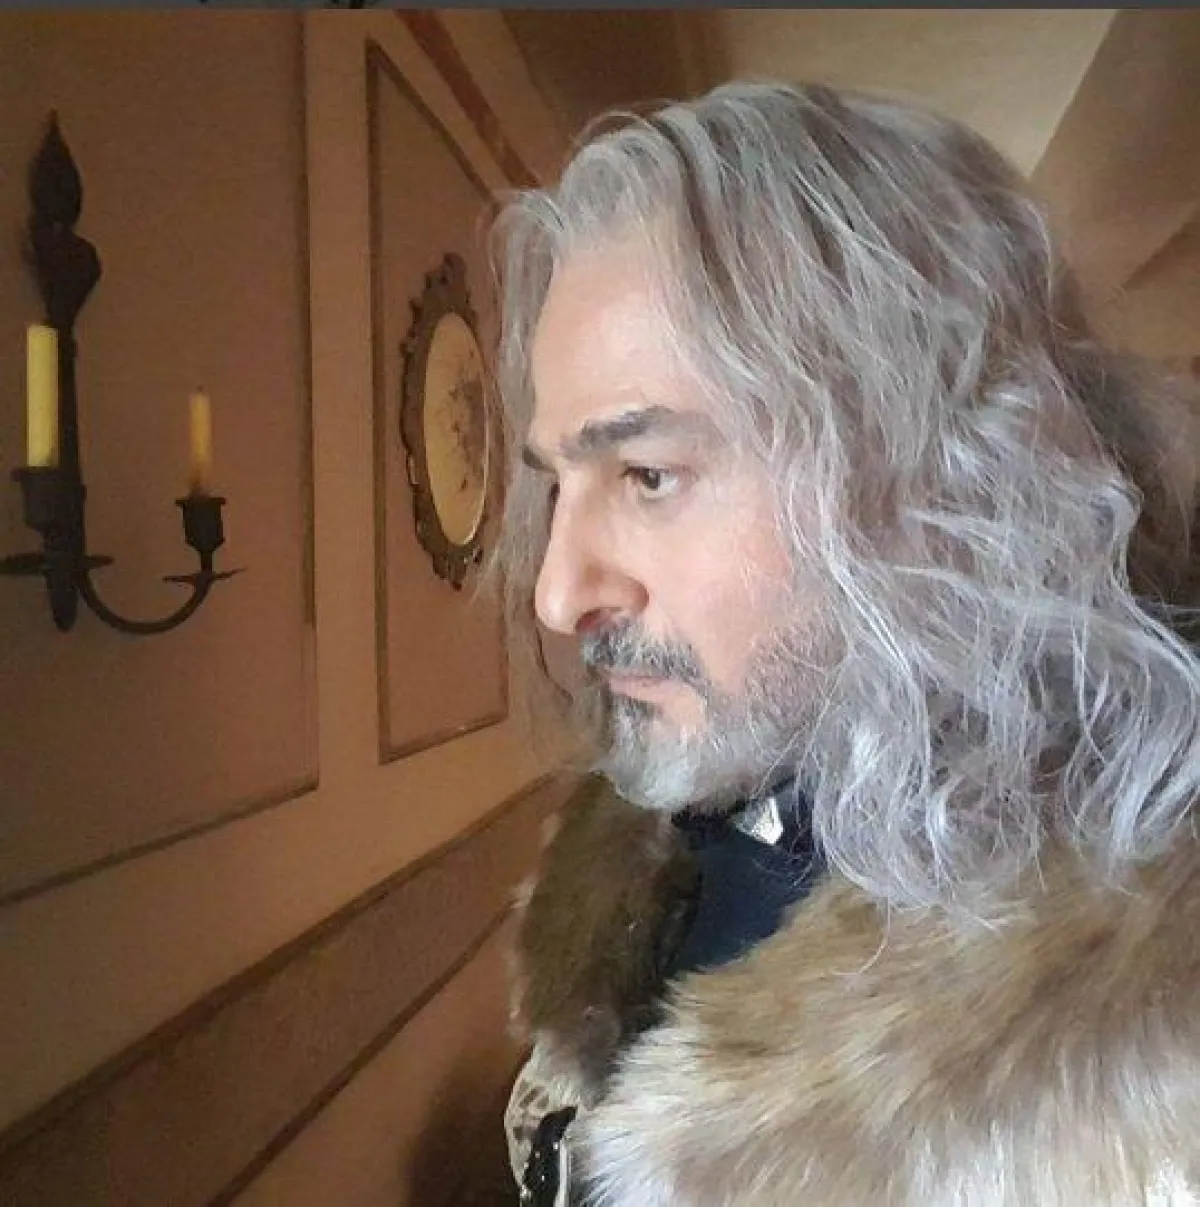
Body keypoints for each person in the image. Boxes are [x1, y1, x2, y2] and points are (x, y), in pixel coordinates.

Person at [489, 81, 1200, 1206]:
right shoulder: (666, 831)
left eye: (649, 475)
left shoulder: (1152, 1088)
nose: (558, 592)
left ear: (928, 470)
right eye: (560, 481)